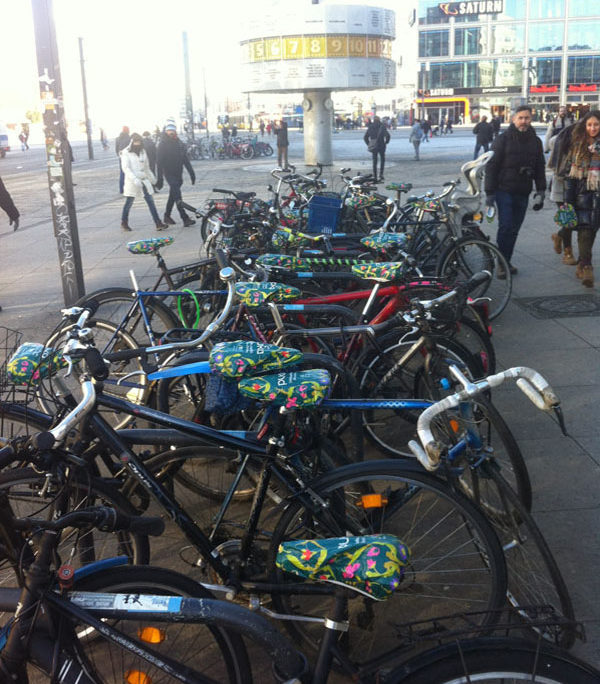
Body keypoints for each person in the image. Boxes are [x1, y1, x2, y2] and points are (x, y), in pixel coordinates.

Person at [484, 105, 546, 277]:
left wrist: (541, 191)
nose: (524, 121)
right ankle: (502, 264)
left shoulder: (535, 141)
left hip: (523, 191)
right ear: (513, 119)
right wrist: (489, 194)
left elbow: (540, 167)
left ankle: (506, 260)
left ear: (530, 119)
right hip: (503, 190)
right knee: (506, 226)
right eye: (521, 118)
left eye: (527, 118)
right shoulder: (502, 139)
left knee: (514, 229)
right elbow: (492, 166)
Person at [560, 110, 600, 287]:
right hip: (582, 194)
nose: (593, 128)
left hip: (598, 196)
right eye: (590, 124)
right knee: (585, 230)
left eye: (596, 125)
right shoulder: (577, 145)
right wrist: (567, 202)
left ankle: (582, 264)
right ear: (585, 125)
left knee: (592, 231)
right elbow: (570, 176)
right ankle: (587, 267)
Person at [119, 132, 166, 232]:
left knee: (150, 201)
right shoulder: (126, 152)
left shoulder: (142, 151)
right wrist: (135, 179)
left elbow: (146, 167)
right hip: (132, 181)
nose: (138, 145)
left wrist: (153, 180)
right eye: (136, 143)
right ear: (132, 143)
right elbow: (126, 169)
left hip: (144, 180)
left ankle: (158, 222)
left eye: (139, 143)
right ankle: (124, 222)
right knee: (129, 202)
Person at [156, 121, 196, 227]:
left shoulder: (179, 143)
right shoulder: (162, 144)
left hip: (178, 173)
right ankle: (185, 218)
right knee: (178, 196)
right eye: (169, 130)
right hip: (169, 174)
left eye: (173, 130)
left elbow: (185, 159)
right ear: (166, 131)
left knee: (173, 195)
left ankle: (167, 216)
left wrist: (192, 173)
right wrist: (159, 179)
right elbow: (159, 163)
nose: (171, 132)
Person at [548, 121, 577, 265]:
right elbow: (549, 145)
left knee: (574, 220)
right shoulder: (559, 140)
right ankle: (568, 252)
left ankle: (558, 236)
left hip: (578, 188)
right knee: (568, 220)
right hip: (561, 187)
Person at [363, 115, 390, 181]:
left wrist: (369, 144)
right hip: (381, 145)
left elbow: (365, 137)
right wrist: (386, 142)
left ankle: (375, 176)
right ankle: (381, 174)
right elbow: (388, 136)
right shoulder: (382, 126)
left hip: (374, 146)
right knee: (382, 160)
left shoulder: (371, 127)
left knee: (374, 161)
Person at [115, 126, 131, 193]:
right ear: (127, 131)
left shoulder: (118, 138)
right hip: (128, 157)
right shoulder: (129, 138)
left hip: (121, 157)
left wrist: (119, 155)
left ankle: (121, 189)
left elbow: (116, 149)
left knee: (122, 173)